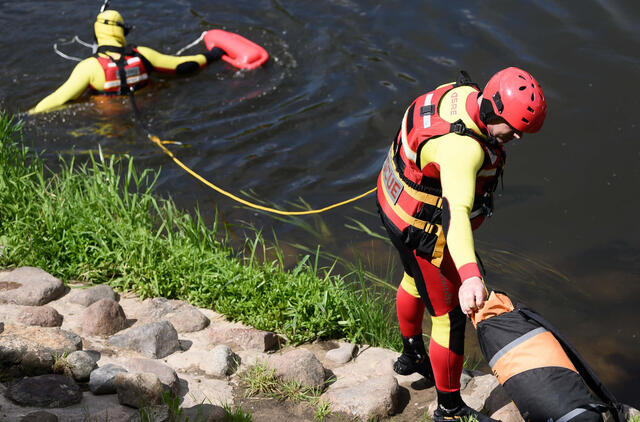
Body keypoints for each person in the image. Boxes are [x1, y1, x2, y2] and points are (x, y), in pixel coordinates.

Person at [376, 67, 547, 421]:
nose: (517, 136)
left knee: (412, 280)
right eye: (514, 129)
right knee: (449, 317)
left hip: (391, 202)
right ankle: (449, 409)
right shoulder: (463, 151)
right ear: (494, 111)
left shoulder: (460, 92)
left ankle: (411, 357)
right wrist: (470, 276)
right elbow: (454, 217)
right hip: (420, 228)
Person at [30, 9, 225, 114]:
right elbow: (182, 66)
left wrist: (30, 114)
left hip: (108, 119)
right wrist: (213, 54)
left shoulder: (89, 67)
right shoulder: (142, 54)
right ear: (121, 32)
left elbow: (58, 99)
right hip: (147, 107)